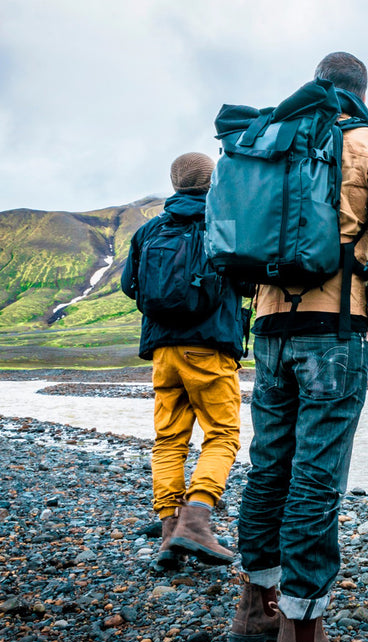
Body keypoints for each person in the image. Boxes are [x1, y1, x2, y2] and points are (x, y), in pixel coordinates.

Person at [229, 52, 368, 642]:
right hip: (334, 330)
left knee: (270, 465)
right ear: (362, 91)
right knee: (316, 479)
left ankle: (255, 607)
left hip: (271, 328)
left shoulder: (273, 141)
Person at [121, 152, 245, 570]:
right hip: (210, 348)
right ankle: (198, 519)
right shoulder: (222, 225)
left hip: (162, 351)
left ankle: (170, 534)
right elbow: (245, 283)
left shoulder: (148, 230)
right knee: (222, 435)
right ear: (212, 183)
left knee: (169, 440)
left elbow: (129, 286)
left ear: (174, 185)